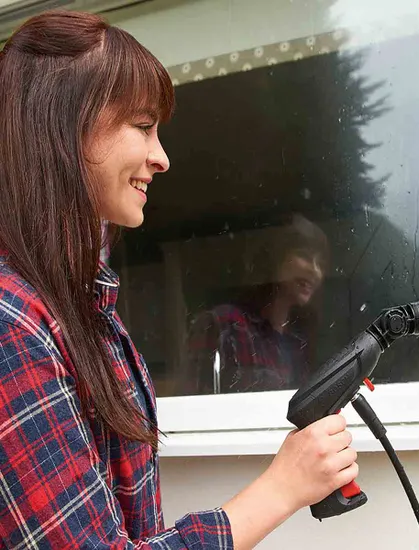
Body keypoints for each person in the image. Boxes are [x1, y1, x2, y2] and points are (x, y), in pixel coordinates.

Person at [0, 10, 358, 550]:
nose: (162, 158)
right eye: (143, 126)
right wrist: (283, 487)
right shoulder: (12, 323)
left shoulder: (83, 308)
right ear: (62, 127)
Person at [186, 214, 328, 394]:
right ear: (275, 257)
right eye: (304, 256)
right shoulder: (223, 324)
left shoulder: (300, 341)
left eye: (320, 263)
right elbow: (190, 403)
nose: (315, 271)